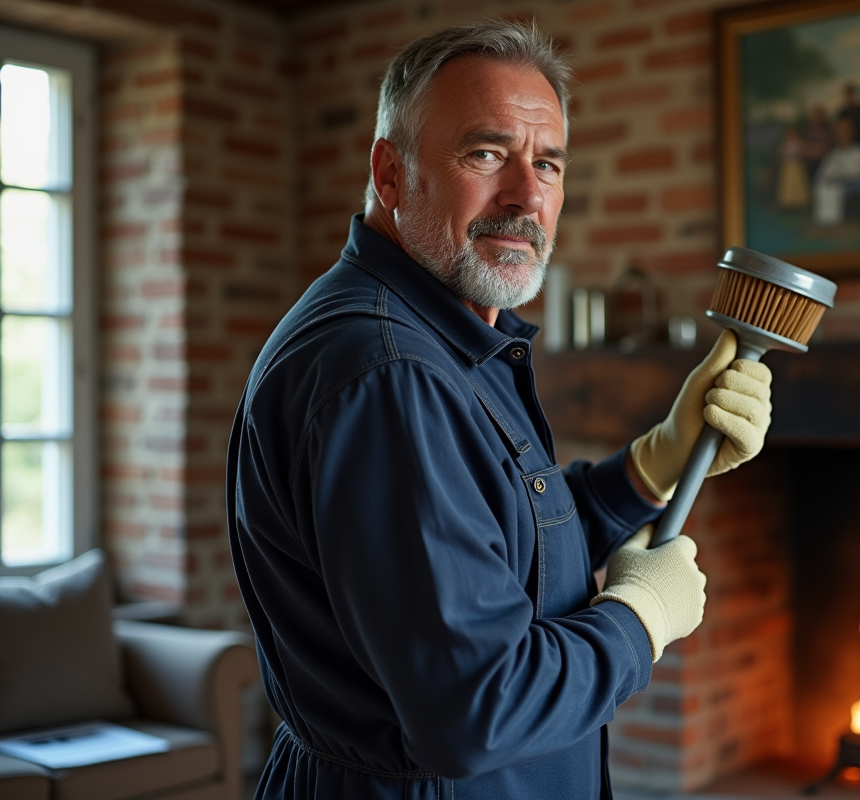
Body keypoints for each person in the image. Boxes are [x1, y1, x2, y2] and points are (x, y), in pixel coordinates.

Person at [225, 20, 774, 800]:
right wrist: (640, 619)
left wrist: (651, 465)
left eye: (546, 164)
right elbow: (475, 710)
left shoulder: (444, 336)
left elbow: (501, 557)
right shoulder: (390, 375)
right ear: (391, 173)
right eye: (485, 154)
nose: (526, 197)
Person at [813, 116, 860, 225]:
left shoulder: (859, 150)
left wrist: (843, 174)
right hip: (837, 183)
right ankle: (827, 218)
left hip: (854, 183)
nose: (843, 134)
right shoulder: (834, 153)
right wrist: (833, 175)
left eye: (846, 131)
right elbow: (824, 172)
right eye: (841, 131)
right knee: (825, 186)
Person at [776, 127, 810, 209]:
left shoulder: (799, 143)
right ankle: (788, 202)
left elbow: (804, 152)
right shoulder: (785, 144)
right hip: (788, 167)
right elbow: (780, 154)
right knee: (788, 185)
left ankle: (799, 202)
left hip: (797, 167)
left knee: (797, 184)